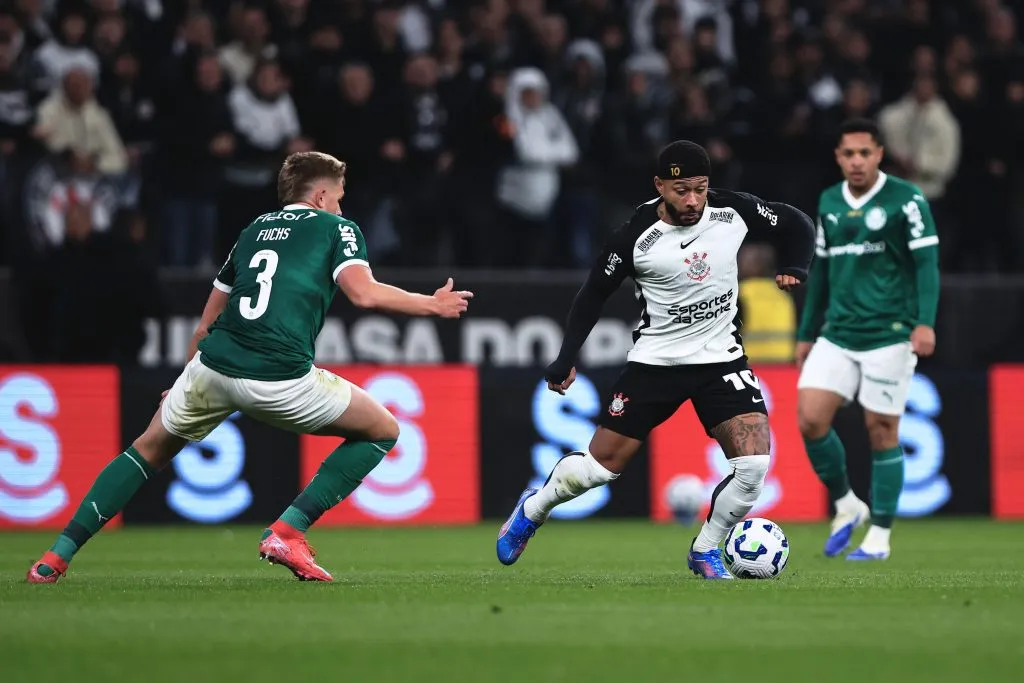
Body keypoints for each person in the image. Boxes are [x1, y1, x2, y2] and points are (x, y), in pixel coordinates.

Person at [27, 151, 473, 584]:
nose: (341, 207)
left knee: (146, 450)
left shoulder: (253, 231)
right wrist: (431, 304)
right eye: (338, 197)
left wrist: (183, 381)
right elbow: (365, 293)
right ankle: (288, 531)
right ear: (320, 196)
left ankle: (54, 558)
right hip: (278, 377)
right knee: (383, 430)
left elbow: (206, 324)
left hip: (212, 367)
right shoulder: (337, 228)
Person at [496, 140, 815, 579]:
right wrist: (566, 357)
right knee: (597, 470)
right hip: (655, 364)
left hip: (721, 359)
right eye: (682, 190)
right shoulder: (634, 236)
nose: (693, 200)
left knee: (754, 465)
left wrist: (797, 266)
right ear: (660, 186)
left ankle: (705, 550)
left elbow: (796, 222)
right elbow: (592, 296)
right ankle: (534, 508)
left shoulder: (733, 210)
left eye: (700, 188)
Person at [796, 119, 939, 561]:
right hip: (837, 333)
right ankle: (847, 503)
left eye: (864, 153)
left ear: (879, 154)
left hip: (889, 334)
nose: (856, 161)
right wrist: (806, 332)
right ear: (838, 157)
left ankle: (879, 536)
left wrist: (925, 323)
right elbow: (821, 270)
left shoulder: (906, 199)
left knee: (882, 431)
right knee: (810, 419)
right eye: (848, 154)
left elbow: (927, 264)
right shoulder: (829, 200)